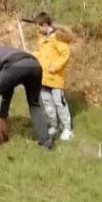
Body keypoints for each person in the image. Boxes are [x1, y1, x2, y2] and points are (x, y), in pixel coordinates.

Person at [0, 45, 52, 148]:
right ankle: (46, 141)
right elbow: (8, 91)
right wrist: (2, 117)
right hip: (35, 66)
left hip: (16, 66)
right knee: (34, 104)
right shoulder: (1, 59)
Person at [31, 13, 73, 142]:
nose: (37, 30)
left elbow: (65, 54)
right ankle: (54, 125)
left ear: (44, 25)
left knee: (60, 103)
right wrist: (31, 55)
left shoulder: (58, 38)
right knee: (48, 104)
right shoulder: (42, 39)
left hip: (55, 79)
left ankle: (67, 128)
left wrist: (55, 67)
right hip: (43, 78)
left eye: (39, 27)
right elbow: (40, 53)